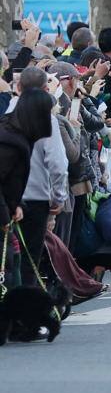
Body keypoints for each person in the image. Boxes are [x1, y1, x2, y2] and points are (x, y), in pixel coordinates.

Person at [0, 90, 54, 289]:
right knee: (9, 267)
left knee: (14, 261)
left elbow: (11, 181)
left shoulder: (15, 134)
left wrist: (16, 204)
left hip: (9, 206)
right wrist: (5, 216)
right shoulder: (9, 141)